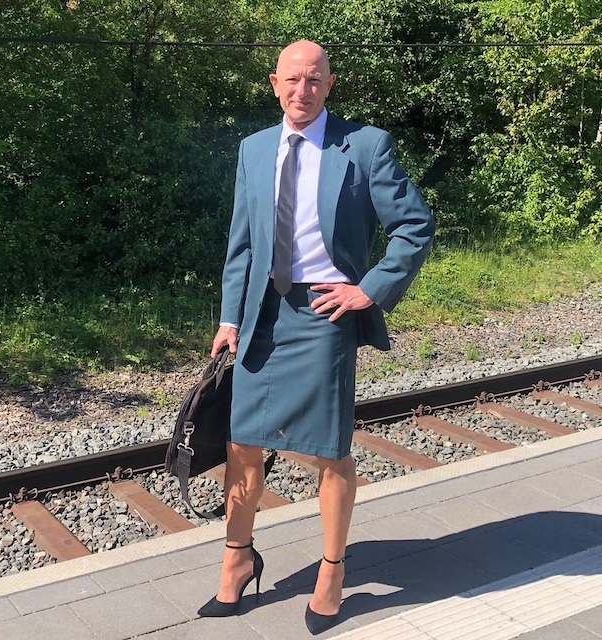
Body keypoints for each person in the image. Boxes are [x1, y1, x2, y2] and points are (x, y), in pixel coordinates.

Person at [198, 39, 435, 634]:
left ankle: (332, 570)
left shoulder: (365, 146)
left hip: (325, 316)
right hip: (262, 314)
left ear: (329, 86)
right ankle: (237, 559)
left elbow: (414, 226)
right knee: (243, 443)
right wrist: (230, 318)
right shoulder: (254, 150)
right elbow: (243, 245)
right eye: (292, 80)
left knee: (329, 451)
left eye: (314, 81)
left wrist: (369, 289)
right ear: (274, 83)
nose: (301, 91)